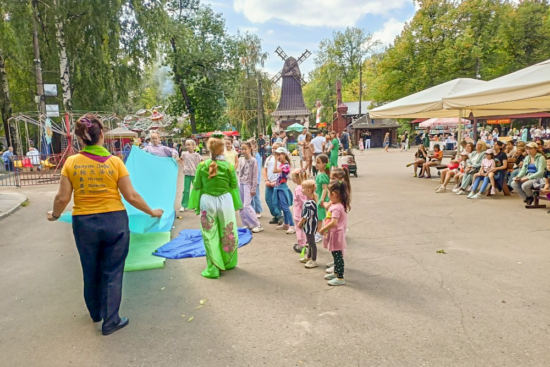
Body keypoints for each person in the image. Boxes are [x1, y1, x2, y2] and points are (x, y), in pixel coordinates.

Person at [47, 114, 163, 335]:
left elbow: (62, 198)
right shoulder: (114, 162)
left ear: (81, 138)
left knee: (90, 268)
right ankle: (111, 321)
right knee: (113, 271)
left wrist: (54, 215)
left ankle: (95, 313)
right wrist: (151, 212)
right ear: (101, 135)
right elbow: (131, 196)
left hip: (84, 223)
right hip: (114, 222)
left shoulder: (71, 162)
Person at [188, 132, 243, 279]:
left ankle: (213, 267)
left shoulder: (202, 166)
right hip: (225, 200)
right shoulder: (229, 167)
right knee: (228, 231)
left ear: (208, 148)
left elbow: (197, 186)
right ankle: (228, 261)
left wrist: (196, 204)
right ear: (222, 148)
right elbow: (234, 186)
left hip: (207, 201)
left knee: (209, 233)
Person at [320, 180, 350, 286]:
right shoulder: (335, 204)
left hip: (337, 234)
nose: (328, 195)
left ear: (334, 194)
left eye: (329, 193)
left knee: (338, 256)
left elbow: (334, 222)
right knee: (335, 254)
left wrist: (323, 229)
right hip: (334, 234)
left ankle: (340, 277)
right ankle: (336, 272)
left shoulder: (337, 207)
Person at [237, 142, 263, 233]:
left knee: (247, 205)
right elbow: (240, 174)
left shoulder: (253, 161)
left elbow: (255, 176)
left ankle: (257, 224)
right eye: (242, 149)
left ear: (250, 149)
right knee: (241, 205)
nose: (243, 151)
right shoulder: (242, 161)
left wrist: (253, 188)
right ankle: (246, 223)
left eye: (245, 149)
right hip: (241, 184)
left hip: (249, 184)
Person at [272, 147, 295, 234]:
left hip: (282, 188)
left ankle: (292, 225)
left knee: (285, 207)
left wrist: (274, 160)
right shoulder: (282, 165)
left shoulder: (286, 165)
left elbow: (274, 170)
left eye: (279, 154)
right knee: (282, 207)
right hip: (279, 188)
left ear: (284, 155)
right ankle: (286, 223)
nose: (277, 156)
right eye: (276, 155)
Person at [298, 179, 319, 266]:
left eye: (303, 188)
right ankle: (309, 257)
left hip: (310, 226)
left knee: (311, 243)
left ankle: (313, 260)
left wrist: (300, 223)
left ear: (308, 190)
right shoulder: (308, 201)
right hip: (308, 226)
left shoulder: (310, 203)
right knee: (309, 242)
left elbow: (306, 216)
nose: (301, 190)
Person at [179, 139, 202, 212]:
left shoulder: (197, 155)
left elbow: (202, 162)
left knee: (195, 189)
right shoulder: (184, 153)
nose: (187, 146)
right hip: (187, 174)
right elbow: (181, 159)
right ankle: (184, 205)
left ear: (194, 146)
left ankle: (195, 205)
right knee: (186, 190)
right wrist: (183, 166)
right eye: (186, 145)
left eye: (189, 145)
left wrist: (199, 169)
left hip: (195, 174)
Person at [263, 142, 282, 225]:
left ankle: (279, 215)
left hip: (277, 183)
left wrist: (276, 181)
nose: (273, 150)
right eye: (273, 148)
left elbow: (283, 172)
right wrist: (266, 180)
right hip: (269, 182)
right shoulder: (269, 158)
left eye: (276, 148)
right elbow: (265, 170)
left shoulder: (282, 159)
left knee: (276, 200)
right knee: (268, 199)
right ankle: (276, 215)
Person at [315, 154, 330, 243]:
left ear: (324, 164)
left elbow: (325, 189)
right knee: (319, 216)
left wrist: (322, 199)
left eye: (318, 162)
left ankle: (319, 233)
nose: (316, 164)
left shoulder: (323, 175)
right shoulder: (319, 173)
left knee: (320, 216)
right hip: (318, 196)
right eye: (316, 162)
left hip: (321, 197)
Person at [292, 169, 308, 253]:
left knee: (299, 228)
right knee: (304, 228)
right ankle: (305, 242)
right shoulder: (305, 187)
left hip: (299, 212)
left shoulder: (298, 189)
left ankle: (301, 245)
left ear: (297, 178)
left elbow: (302, 201)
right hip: (304, 213)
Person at [249, 140, 263, 218]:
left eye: (251, 145)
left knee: (256, 194)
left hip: (255, 179)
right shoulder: (249, 155)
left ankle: (258, 210)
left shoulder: (256, 155)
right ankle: (252, 210)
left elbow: (258, 168)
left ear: (254, 146)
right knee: (251, 195)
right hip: (249, 179)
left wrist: (256, 179)